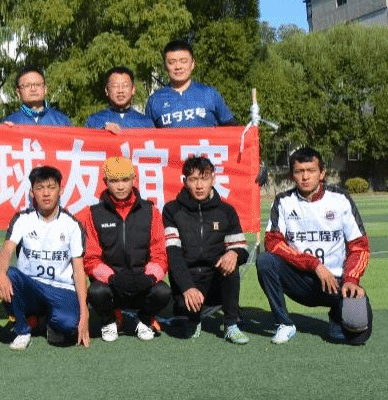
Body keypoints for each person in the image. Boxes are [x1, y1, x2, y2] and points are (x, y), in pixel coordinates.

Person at [256, 146, 372, 345]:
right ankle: (284, 323)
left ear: (322, 173)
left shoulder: (340, 199)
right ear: (292, 175)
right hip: (299, 279)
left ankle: (336, 316)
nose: (305, 177)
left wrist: (352, 279)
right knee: (265, 261)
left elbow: (359, 246)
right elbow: (273, 242)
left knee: (358, 337)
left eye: (311, 170)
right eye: (299, 171)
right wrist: (313, 264)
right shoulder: (283, 201)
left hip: (336, 281)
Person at [0, 165, 89, 349]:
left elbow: (79, 271)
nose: (46, 193)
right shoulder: (22, 219)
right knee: (9, 275)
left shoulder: (72, 225)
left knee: (68, 326)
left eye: (51, 188)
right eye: (40, 188)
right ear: (32, 192)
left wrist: (84, 314)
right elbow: (6, 251)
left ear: (60, 190)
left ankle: (43, 321)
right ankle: (23, 330)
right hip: (31, 286)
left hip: (61, 289)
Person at [82, 156, 172, 342]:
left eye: (125, 180)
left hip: (142, 282)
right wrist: (112, 278)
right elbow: (91, 258)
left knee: (163, 292)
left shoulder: (150, 211)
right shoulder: (94, 213)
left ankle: (144, 320)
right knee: (96, 292)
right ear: (105, 182)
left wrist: (148, 278)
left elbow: (159, 254)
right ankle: (110, 321)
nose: (120, 186)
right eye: (114, 181)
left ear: (134, 179)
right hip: (111, 285)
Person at [162, 155, 249, 344]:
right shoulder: (171, 210)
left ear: (213, 179)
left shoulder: (226, 210)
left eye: (204, 178)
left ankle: (231, 323)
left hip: (215, 281)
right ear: (185, 182)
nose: (199, 185)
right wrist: (187, 287)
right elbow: (173, 254)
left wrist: (233, 253)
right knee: (185, 317)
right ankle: (193, 319)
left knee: (230, 263)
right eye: (193, 179)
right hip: (188, 282)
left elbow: (242, 248)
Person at [144, 40, 234, 128]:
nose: (178, 67)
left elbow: (232, 129)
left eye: (183, 61)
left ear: (192, 64)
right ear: (165, 66)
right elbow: (148, 136)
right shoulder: (155, 101)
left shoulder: (209, 94)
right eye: (172, 62)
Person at [84, 66, 156, 132]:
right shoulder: (94, 121)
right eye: (115, 86)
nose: (120, 90)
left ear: (133, 89)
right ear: (106, 90)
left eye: (125, 85)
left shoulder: (146, 123)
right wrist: (103, 132)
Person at [2, 66, 72, 126]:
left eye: (38, 84)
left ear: (45, 89)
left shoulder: (62, 121)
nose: (33, 89)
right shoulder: (10, 122)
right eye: (27, 85)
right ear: (18, 92)